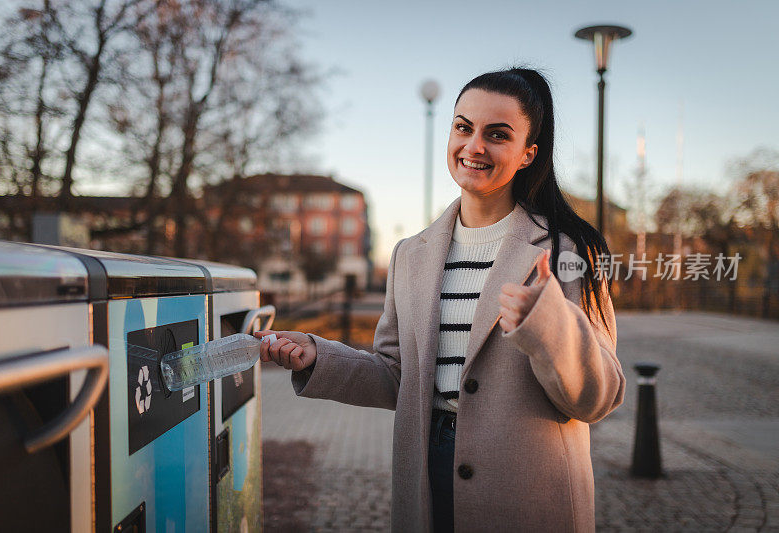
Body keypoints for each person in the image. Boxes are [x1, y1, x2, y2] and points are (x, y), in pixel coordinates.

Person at [256, 67, 625, 533]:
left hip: (528, 488)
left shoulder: (568, 251)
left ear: (528, 154)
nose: (474, 146)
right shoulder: (410, 255)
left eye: (498, 135)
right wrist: (317, 356)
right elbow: (396, 377)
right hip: (425, 476)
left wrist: (549, 328)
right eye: (463, 127)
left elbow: (601, 396)